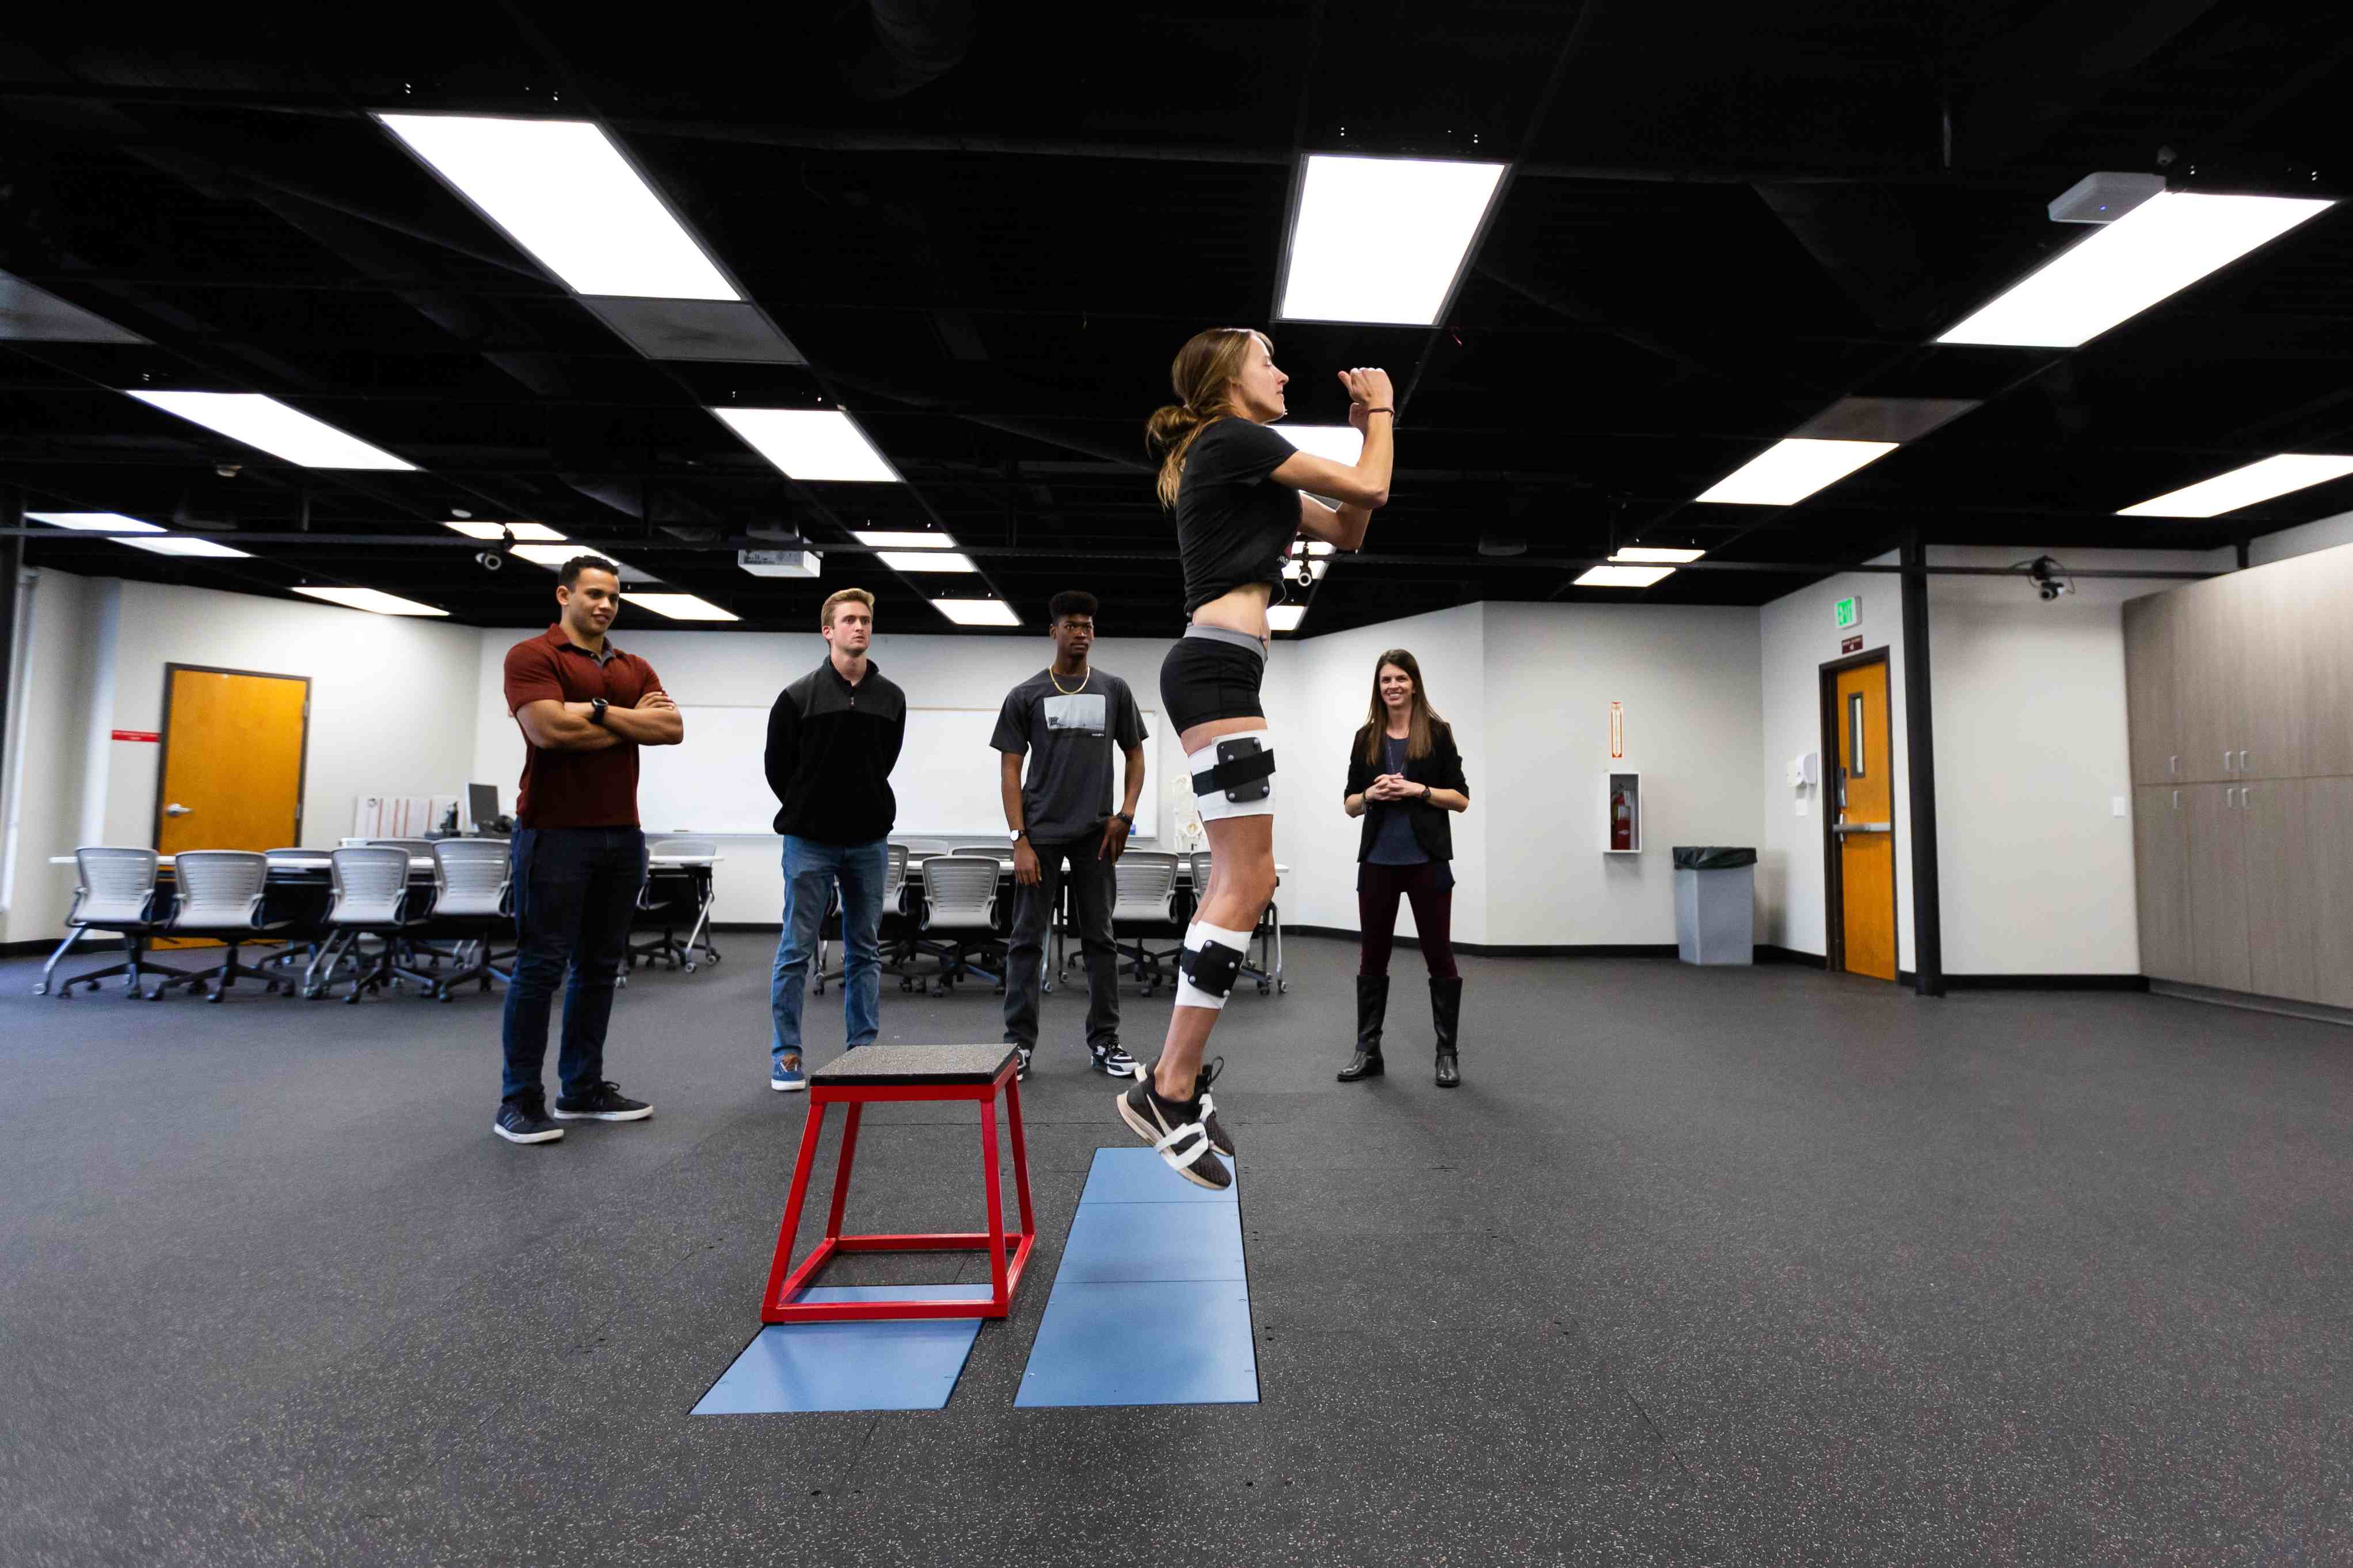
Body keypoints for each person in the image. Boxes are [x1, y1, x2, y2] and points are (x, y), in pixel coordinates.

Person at [1127, 327, 1395, 1188]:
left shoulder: (1244, 459)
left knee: (1236, 882)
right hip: (1214, 673)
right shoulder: (1231, 437)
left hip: (1222, 673)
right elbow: (1377, 488)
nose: (1282, 373)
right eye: (1267, 360)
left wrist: (1359, 431)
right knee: (1249, 882)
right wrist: (1382, 410)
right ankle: (1167, 1087)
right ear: (1225, 379)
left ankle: (1168, 1081)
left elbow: (1349, 527)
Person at [494, 554, 684, 1144]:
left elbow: (672, 729)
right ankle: (519, 1101)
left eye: (614, 597)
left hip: (621, 835)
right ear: (563, 595)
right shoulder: (533, 656)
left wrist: (595, 710)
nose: (605, 605)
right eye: (595, 594)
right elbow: (547, 730)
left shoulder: (633, 664)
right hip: (552, 831)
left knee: (600, 967)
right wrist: (627, 719)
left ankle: (581, 1088)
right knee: (540, 966)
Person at [992, 590, 1148, 1082]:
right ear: (1054, 632)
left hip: (1096, 835)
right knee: (1026, 940)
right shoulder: (1027, 695)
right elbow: (1010, 771)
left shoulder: (1114, 690)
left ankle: (1105, 1041)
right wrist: (1019, 838)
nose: (1081, 632)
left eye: (1088, 626)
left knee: (1100, 938)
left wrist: (1124, 815)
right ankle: (1018, 1044)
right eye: (1072, 625)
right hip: (1040, 836)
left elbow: (1136, 757)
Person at [764, 587, 907, 1092]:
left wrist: (859, 804)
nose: (859, 627)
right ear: (828, 631)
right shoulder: (797, 697)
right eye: (848, 620)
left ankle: (862, 1051)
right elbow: (778, 770)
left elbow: (884, 761)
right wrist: (812, 809)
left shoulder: (891, 697)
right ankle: (786, 1054)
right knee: (796, 949)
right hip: (809, 841)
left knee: (865, 949)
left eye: (865, 619)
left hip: (868, 842)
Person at [1339, 650, 1471, 1088]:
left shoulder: (1437, 734)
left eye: (1400, 678)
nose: (1392, 686)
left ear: (1414, 683)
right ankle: (1368, 1050)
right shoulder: (1366, 738)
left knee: (1440, 957)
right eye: (1385, 680)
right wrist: (1372, 796)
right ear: (1379, 688)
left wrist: (1419, 789)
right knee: (1372, 957)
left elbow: (1461, 799)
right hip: (1378, 861)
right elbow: (1349, 805)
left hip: (1427, 861)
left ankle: (1447, 1053)